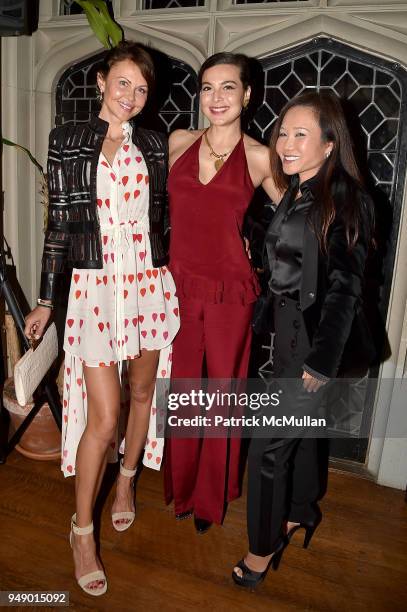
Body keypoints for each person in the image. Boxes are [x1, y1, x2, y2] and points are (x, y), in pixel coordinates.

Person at [24, 41, 179, 596]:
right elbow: (59, 225)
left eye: (142, 89)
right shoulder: (68, 140)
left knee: (142, 394)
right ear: (100, 82)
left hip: (145, 283)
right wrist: (46, 298)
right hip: (95, 286)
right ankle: (81, 531)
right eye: (123, 84)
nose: (132, 97)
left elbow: (165, 215)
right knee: (104, 418)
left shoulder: (155, 144)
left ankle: (126, 484)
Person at [232, 90, 375, 587]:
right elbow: (280, 251)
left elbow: (345, 287)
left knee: (268, 449)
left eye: (301, 134)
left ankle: (260, 549)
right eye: (282, 132)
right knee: (303, 436)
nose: (286, 143)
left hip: (311, 342)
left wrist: (321, 360)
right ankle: (300, 512)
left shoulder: (348, 199)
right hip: (283, 336)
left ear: (331, 143)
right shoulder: (295, 189)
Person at [164, 52, 281, 532]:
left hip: (232, 290)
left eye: (228, 87)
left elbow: (297, 216)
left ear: (247, 94)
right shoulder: (177, 142)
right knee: (185, 392)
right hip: (177, 286)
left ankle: (212, 498)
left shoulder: (259, 156)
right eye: (208, 87)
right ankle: (184, 488)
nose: (216, 98)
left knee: (222, 395)